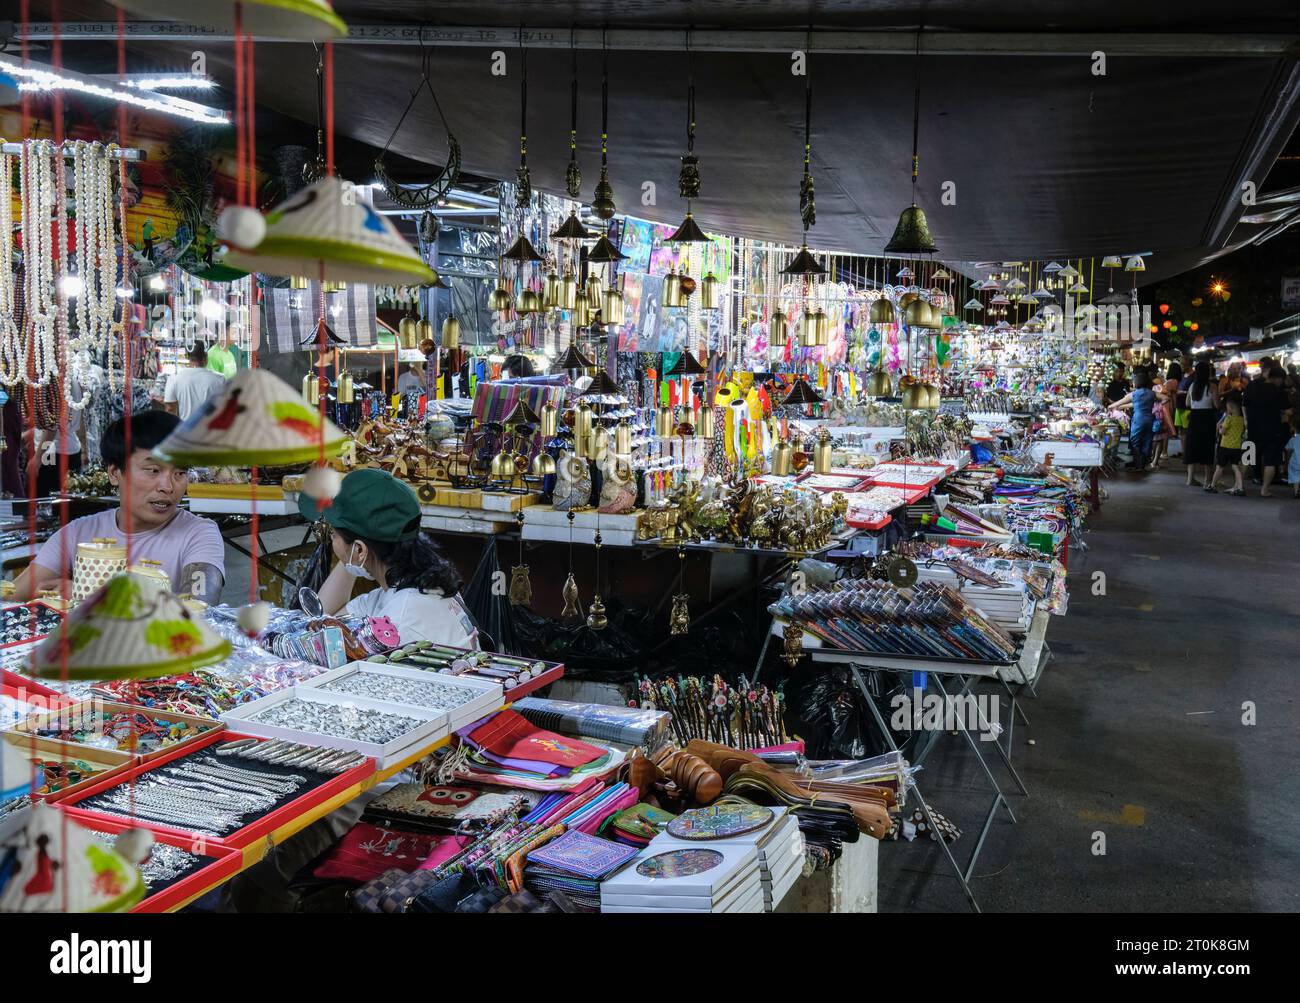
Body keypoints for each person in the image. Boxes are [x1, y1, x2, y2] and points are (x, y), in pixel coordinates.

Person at [11, 411, 226, 601]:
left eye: (180, 473)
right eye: (153, 470)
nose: (168, 487)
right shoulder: (78, 533)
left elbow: (200, 605)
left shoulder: (198, 533)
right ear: (115, 473)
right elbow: (13, 594)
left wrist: (92, 596)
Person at [307, 469, 478, 648]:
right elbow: (322, 620)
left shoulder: (400, 620)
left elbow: (322, 642)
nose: (330, 539)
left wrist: (355, 555)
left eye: (333, 534)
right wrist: (352, 556)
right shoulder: (413, 585)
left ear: (360, 549)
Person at [1243, 359, 1286, 497]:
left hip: (1253, 427)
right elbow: (1288, 410)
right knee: (1270, 460)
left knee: (1247, 457)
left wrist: (1246, 420)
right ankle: (1264, 490)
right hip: (1272, 429)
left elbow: (1244, 404)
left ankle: (1239, 485)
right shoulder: (1277, 389)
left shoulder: (1252, 385)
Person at [164, 343, 227, 420]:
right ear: (206, 357)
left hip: (186, 428)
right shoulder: (220, 379)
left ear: (187, 356)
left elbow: (170, 409)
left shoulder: (174, 378)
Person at [1183, 360, 1219, 487]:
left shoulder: (1193, 385)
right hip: (1207, 418)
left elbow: (1187, 403)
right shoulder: (1212, 386)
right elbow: (1217, 404)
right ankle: (1207, 481)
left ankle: (1190, 478)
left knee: (1192, 446)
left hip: (1194, 417)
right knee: (1207, 447)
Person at [1111, 369, 1156, 471]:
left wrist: (1110, 406)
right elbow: (1166, 398)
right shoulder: (1152, 393)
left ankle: (1138, 465)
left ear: (1136, 383)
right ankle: (1144, 464)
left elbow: (1119, 402)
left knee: (1135, 441)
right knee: (1147, 440)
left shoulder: (1134, 394)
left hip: (1138, 419)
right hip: (1149, 419)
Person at [1207, 391, 1246, 495]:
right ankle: (1240, 488)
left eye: (1228, 407)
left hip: (1225, 446)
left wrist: (1220, 428)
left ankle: (1212, 485)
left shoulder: (1229, 418)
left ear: (1231, 407)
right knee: (1235, 467)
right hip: (1236, 447)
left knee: (1219, 467)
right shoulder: (1242, 420)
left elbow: (1222, 431)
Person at [1286, 418, 1300, 499]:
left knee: (1295, 475)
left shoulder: (1293, 439)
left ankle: (1296, 491)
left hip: (1296, 462)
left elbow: (1288, 449)